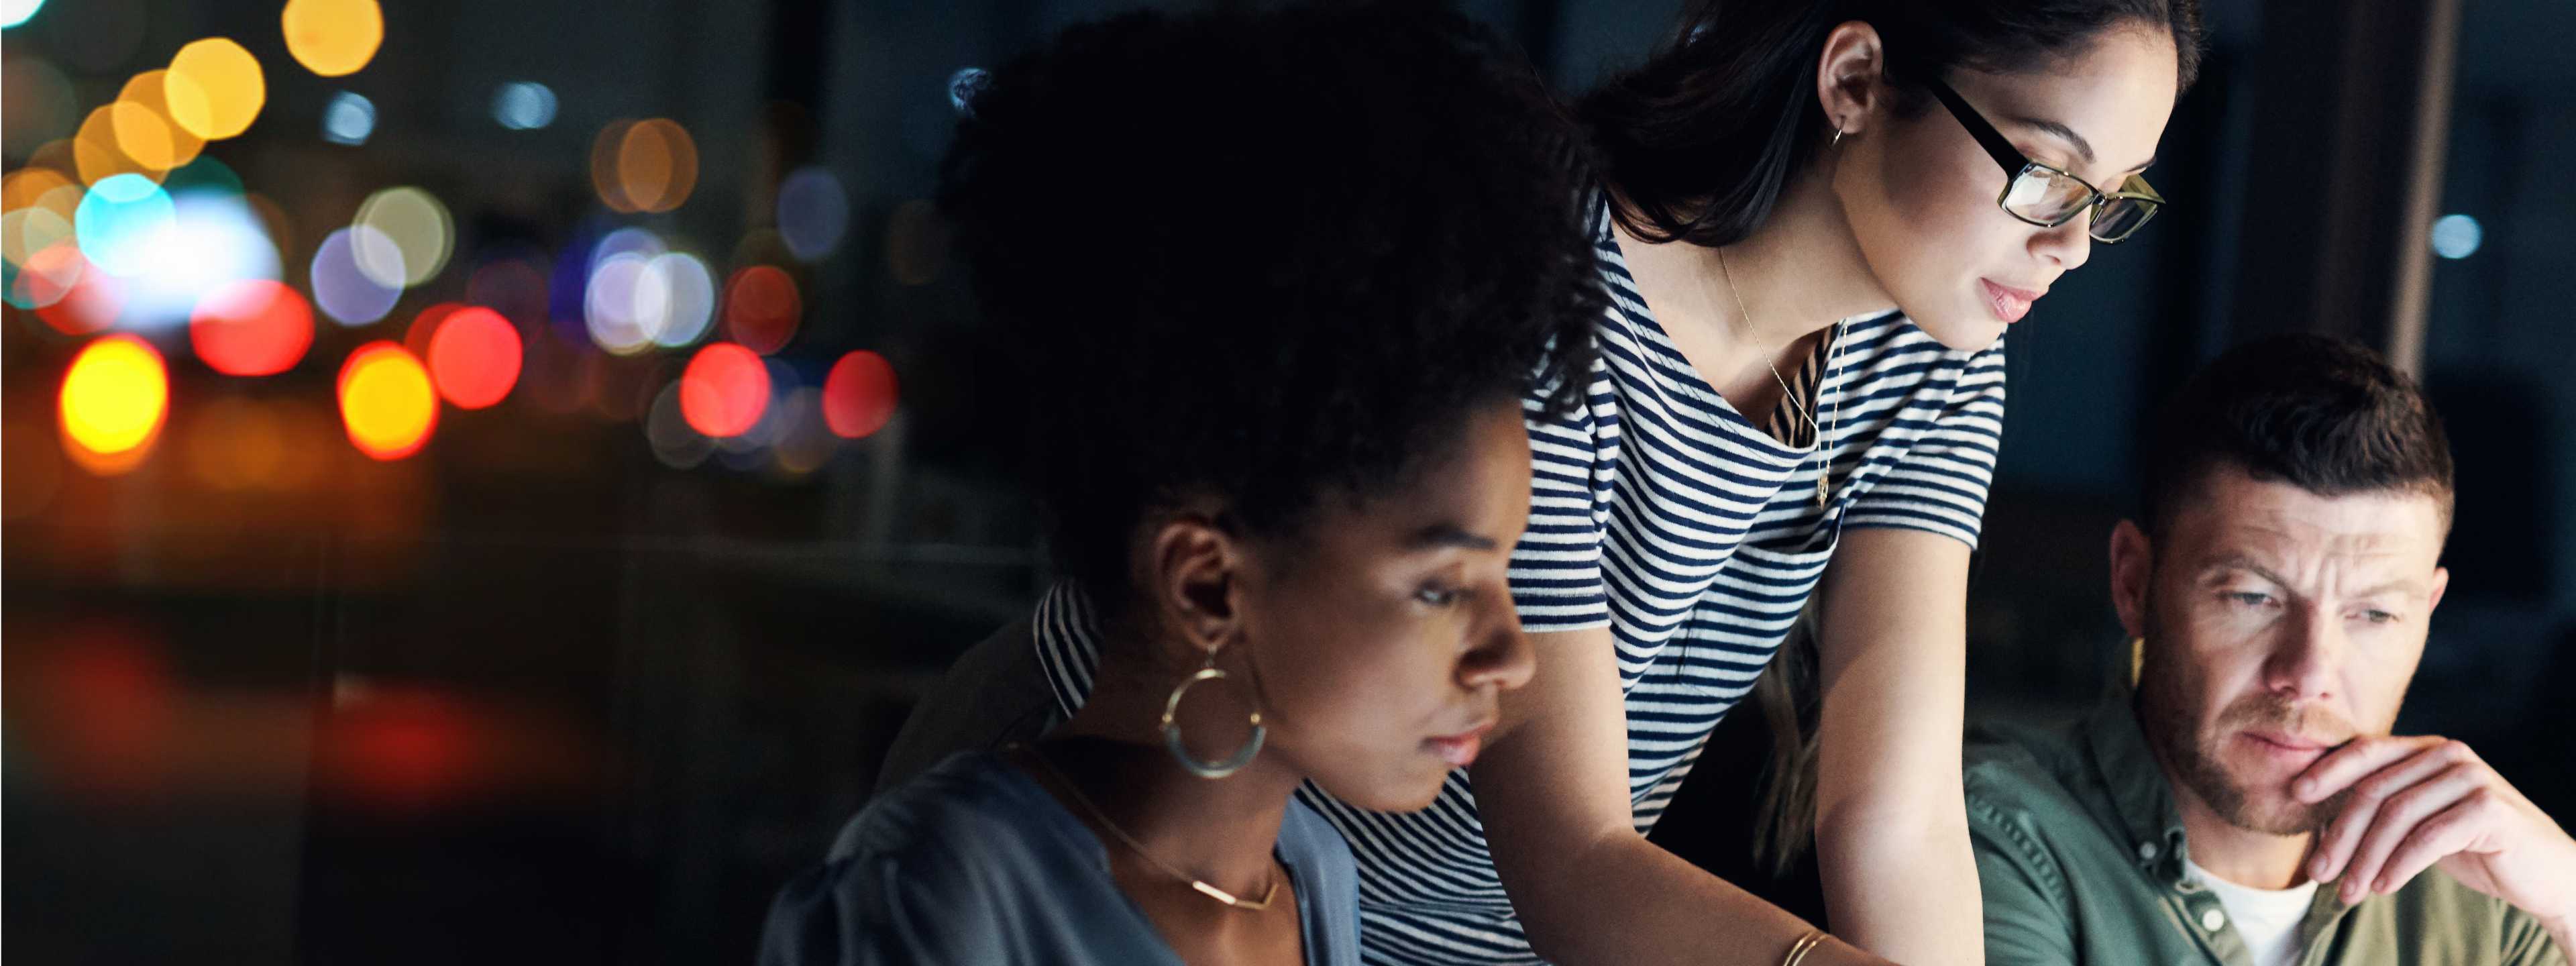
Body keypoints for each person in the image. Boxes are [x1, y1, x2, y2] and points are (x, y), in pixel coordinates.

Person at [878, 1, 2206, 963]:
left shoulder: (1943, 358)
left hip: (1376, 917)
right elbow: (1572, 852)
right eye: (2044, 172)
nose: (2077, 246)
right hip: (1130, 828)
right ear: (1856, 76)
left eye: (2118, 198)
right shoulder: (1542, 266)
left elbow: (1895, 822)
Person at [758, 4, 1602, 964]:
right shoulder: (934, 895)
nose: (1513, 656)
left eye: (1505, 574)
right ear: (1206, 582)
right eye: (1442, 587)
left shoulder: (1313, 878)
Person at [1966, 335, 2575, 966]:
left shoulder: (2489, 897)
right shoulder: (1992, 836)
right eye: (2254, 598)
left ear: (2425, 617)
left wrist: (2569, 896)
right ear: (2134, 584)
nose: (2309, 674)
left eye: (2374, 614)